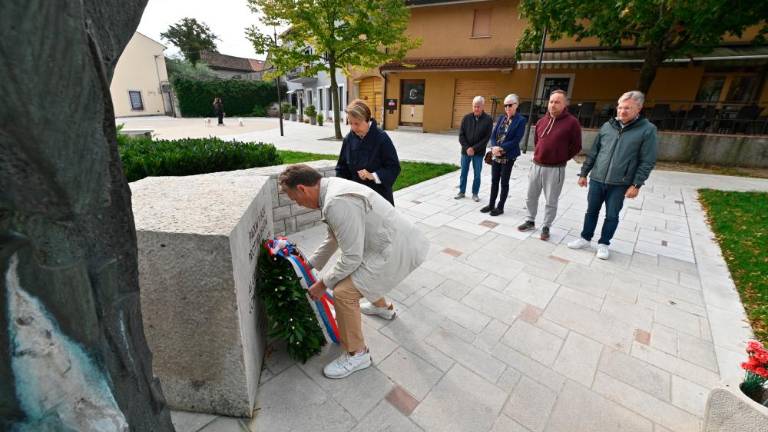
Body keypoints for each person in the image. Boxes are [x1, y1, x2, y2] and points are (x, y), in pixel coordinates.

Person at [279, 164, 428, 379]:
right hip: (391, 241)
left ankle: (357, 354)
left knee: (343, 293)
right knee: (358, 277)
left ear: (302, 188)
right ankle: (383, 308)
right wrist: (307, 265)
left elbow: (352, 257)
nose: (298, 204)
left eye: (295, 199)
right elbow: (333, 239)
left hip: (394, 248)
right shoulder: (331, 189)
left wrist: (323, 284)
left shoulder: (335, 202)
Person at [568, 91, 657, 260]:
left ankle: (604, 243)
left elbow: (648, 161)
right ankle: (585, 238)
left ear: (639, 108)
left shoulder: (647, 130)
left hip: (620, 183)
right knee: (591, 211)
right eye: (620, 107)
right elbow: (594, 152)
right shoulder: (608, 126)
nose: (622, 111)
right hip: (597, 178)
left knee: (612, 215)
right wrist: (584, 173)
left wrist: (636, 184)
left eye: (627, 108)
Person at [518, 90, 582, 240]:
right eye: (551, 101)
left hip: (555, 168)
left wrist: (561, 157)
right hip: (536, 165)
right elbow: (536, 142)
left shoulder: (572, 122)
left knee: (551, 200)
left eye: (557, 102)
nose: (553, 105)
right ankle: (530, 220)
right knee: (531, 196)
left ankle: (546, 225)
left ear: (565, 103)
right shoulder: (541, 121)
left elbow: (576, 146)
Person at [336, 99, 401, 206]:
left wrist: (373, 176)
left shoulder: (381, 138)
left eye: (357, 123)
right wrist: (343, 188)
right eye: (350, 123)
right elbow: (341, 168)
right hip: (356, 198)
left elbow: (393, 167)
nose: (353, 127)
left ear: (367, 120)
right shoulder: (349, 139)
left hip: (379, 197)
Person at [481, 94, 527, 216]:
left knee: (504, 182)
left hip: (508, 155)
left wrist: (501, 148)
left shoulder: (521, 120)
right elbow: (493, 134)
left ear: (516, 105)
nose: (507, 107)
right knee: (494, 180)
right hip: (496, 154)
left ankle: (500, 207)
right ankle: (491, 204)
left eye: (509, 105)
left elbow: (516, 139)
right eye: (505, 105)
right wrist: (495, 147)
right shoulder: (501, 118)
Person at [456, 96, 493, 202]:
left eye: (478, 106)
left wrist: (474, 148)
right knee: (463, 172)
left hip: (478, 152)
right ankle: (462, 192)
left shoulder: (488, 119)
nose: (476, 108)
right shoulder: (466, 118)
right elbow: (461, 135)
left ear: (482, 107)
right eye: (474, 106)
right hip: (465, 151)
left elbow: (486, 138)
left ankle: (475, 193)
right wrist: (467, 148)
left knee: (477, 174)